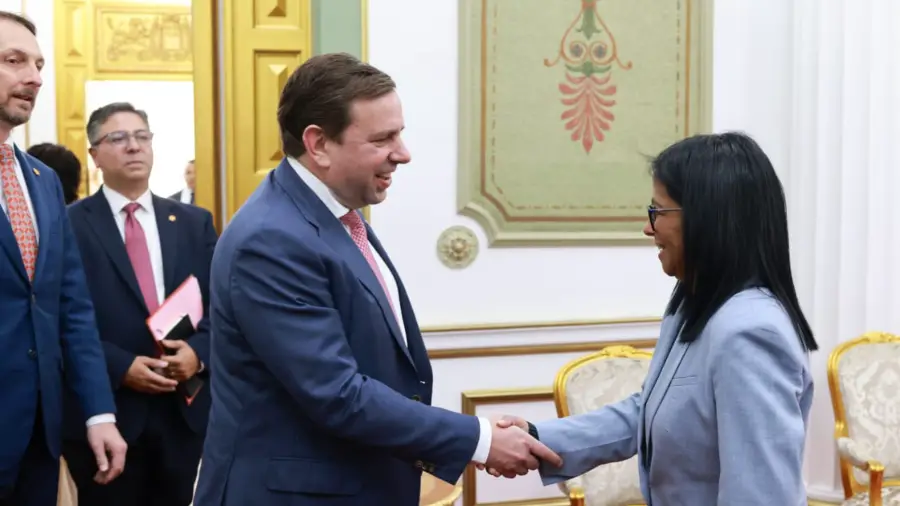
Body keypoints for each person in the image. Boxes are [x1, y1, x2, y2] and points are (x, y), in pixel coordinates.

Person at [192, 52, 561, 506]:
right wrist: (480, 439)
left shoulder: (334, 216)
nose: (403, 153)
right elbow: (336, 393)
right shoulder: (271, 238)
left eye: (399, 133)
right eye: (383, 138)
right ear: (318, 144)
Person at [492, 132, 817, 505]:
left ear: (706, 219)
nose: (648, 227)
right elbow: (648, 410)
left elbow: (761, 495)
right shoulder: (694, 307)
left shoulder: (751, 333)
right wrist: (538, 436)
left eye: (658, 212)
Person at [0, 11, 126, 506]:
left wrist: (99, 412)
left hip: (40, 436)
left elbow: (71, 307)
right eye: (14, 60)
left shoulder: (43, 181)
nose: (34, 77)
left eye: (39, 65)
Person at [63, 102, 216, 506]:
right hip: (110, 412)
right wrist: (120, 366)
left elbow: (222, 309)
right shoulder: (68, 225)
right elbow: (59, 318)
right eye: (118, 138)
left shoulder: (194, 222)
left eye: (141, 136)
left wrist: (198, 354)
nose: (133, 146)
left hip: (183, 412)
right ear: (95, 155)